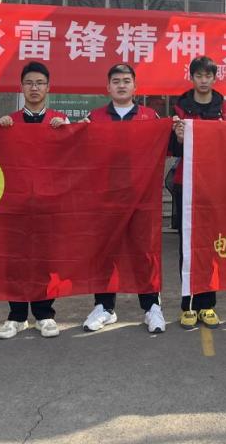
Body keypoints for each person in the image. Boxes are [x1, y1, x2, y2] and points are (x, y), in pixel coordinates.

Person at [82, 63, 167, 335]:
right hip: (106, 196)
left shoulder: (150, 116)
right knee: (105, 251)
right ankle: (104, 307)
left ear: (135, 86)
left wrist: (175, 132)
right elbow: (81, 153)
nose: (121, 85)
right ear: (107, 87)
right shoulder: (94, 117)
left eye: (126, 81)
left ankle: (152, 306)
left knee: (145, 251)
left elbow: (166, 148)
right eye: (116, 81)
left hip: (142, 196)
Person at [0, 61, 69, 340]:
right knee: (14, 259)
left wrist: (69, 133)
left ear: (48, 88)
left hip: (48, 204)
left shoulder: (60, 121)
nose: (34, 88)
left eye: (39, 83)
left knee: (45, 259)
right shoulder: (9, 122)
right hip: (15, 203)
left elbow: (76, 159)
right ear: (21, 87)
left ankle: (45, 313)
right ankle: (16, 315)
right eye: (29, 83)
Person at [170, 56, 226, 329]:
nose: (204, 80)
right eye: (199, 75)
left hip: (216, 183)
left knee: (210, 245)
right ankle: (188, 305)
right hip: (186, 182)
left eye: (208, 75)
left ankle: (208, 304)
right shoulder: (179, 107)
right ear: (192, 78)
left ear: (215, 78)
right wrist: (178, 137)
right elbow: (172, 148)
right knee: (187, 246)